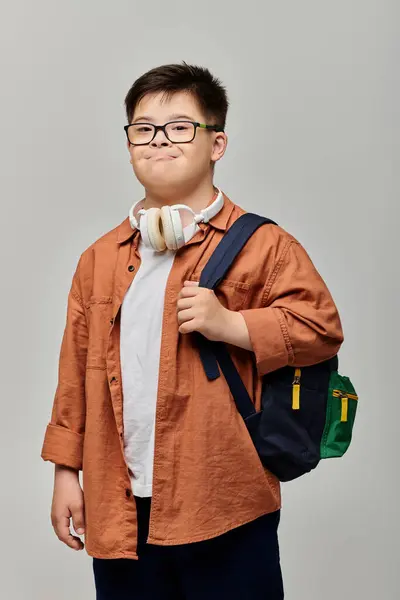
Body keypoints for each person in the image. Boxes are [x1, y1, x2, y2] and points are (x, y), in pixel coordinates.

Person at [41, 62, 344, 599]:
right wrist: (67, 471)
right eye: (143, 128)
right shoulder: (98, 260)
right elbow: (74, 372)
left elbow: (320, 329)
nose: (159, 140)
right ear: (129, 142)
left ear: (217, 143)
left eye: (181, 126)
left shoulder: (264, 246)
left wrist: (232, 324)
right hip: (121, 508)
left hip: (224, 499)